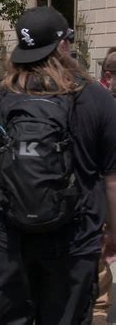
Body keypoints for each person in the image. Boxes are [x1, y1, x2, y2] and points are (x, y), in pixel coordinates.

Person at [0, 6, 116, 324]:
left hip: (10, 239)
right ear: (63, 45)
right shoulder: (96, 99)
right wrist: (113, 231)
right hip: (74, 241)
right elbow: (112, 180)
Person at [92, 47, 116, 325]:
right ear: (108, 76)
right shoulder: (96, 105)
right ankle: (98, 311)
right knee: (98, 257)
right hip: (102, 193)